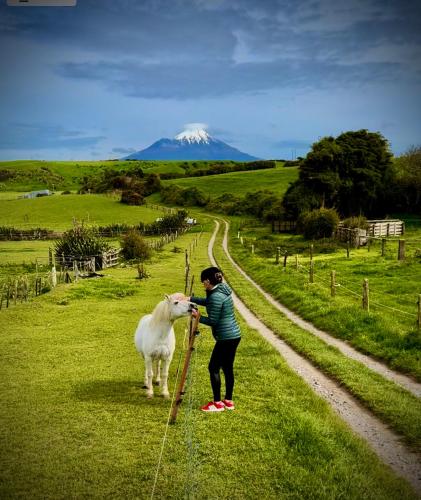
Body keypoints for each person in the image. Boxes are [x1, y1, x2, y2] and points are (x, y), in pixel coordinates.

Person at [188, 266, 241, 412]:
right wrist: (190, 298)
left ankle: (217, 403)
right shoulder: (221, 290)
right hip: (234, 335)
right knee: (227, 367)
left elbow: (213, 321)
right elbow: (208, 302)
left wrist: (197, 316)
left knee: (213, 368)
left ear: (207, 280)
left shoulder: (216, 296)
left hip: (225, 338)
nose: (203, 284)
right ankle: (228, 401)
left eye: (203, 281)